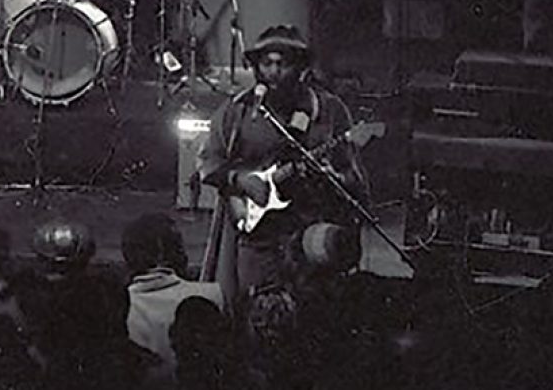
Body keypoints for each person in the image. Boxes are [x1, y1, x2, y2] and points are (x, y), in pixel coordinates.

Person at [198, 25, 368, 308]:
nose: (274, 71)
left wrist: (334, 178)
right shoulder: (238, 110)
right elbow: (208, 160)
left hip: (310, 235)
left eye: (283, 63)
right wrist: (239, 180)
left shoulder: (328, 111)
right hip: (257, 237)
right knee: (254, 311)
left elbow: (355, 178)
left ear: (301, 68)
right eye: (267, 63)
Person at [121, 213, 224, 375]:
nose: (185, 255)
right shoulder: (212, 296)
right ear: (163, 254)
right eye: (179, 247)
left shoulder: (118, 309)